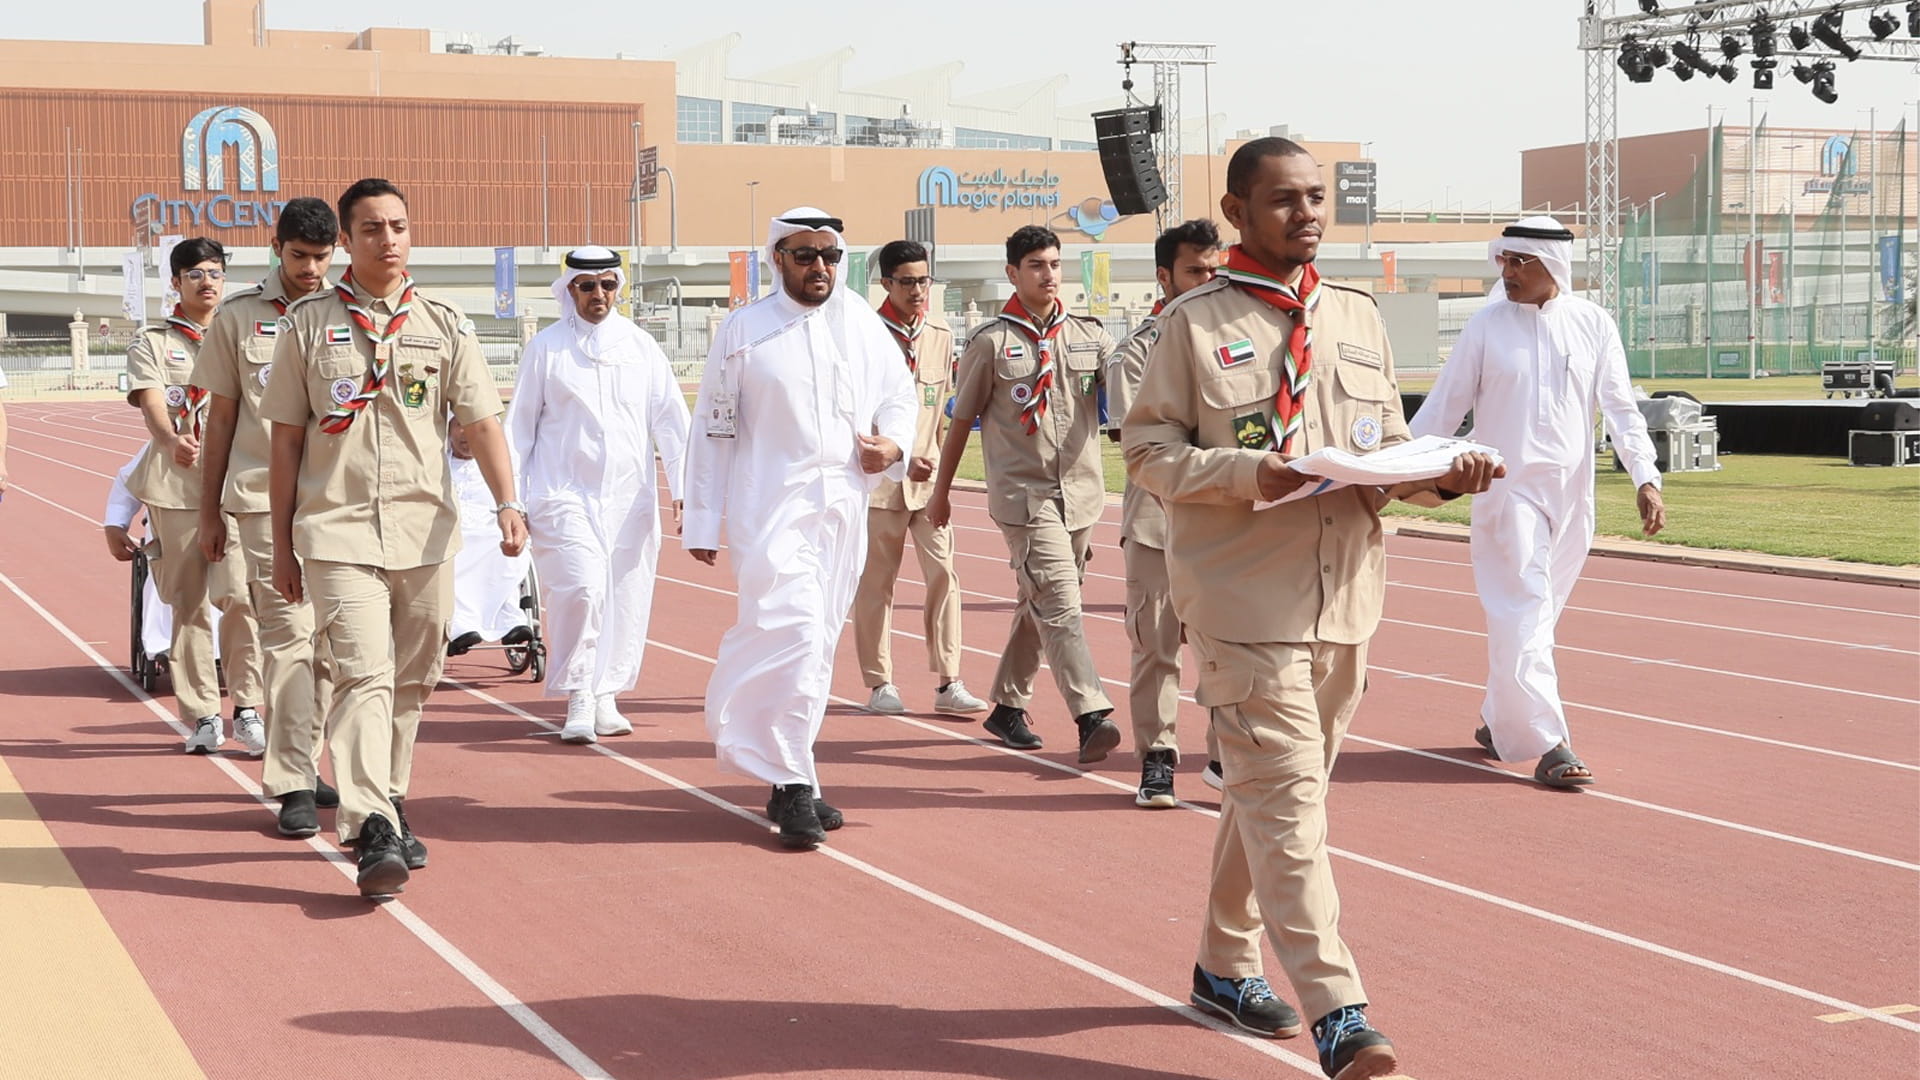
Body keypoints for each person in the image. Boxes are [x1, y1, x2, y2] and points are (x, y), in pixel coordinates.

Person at [1123, 137, 1504, 1080]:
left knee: (1273, 797)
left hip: (1346, 599)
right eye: (1284, 199)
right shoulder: (1193, 325)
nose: (1307, 213)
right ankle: (1339, 1010)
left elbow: (1385, 450)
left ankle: (1223, 964)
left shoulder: (1356, 318)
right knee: (1289, 805)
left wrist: (1442, 476)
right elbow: (1146, 453)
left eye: (1317, 197)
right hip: (1245, 600)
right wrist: (1260, 470)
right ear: (1238, 210)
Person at [260, 178, 526, 898]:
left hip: (425, 533)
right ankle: (370, 823)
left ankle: (390, 794)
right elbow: (285, 443)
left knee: (415, 679)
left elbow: (480, 421)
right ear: (346, 240)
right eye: (372, 228)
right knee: (363, 673)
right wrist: (283, 545)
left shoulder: (442, 322)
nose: (388, 238)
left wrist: (509, 501)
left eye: (399, 225)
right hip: (336, 531)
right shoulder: (308, 325)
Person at [682, 207, 916, 849]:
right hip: (770, 510)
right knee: (791, 630)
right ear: (777, 259)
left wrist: (892, 446)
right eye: (805, 255)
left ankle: (799, 773)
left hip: (842, 509)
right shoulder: (745, 330)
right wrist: (702, 516)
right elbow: (713, 425)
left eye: (830, 256)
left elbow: (901, 395)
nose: (820, 267)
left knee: (817, 647)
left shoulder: (861, 326)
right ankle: (787, 784)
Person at [1408, 216, 1666, 790]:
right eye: (1503, 261)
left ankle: (1500, 720)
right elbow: (1442, 410)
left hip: (1573, 494)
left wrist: (1646, 477)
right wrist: (1395, 469)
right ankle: (1549, 743)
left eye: (1519, 262)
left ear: (1553, 266)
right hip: (1506, 490)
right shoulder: (1485, 327)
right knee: (1523, 608)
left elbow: (1621, 409)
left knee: (1537, 616)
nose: (1508, 272)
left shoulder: (1594, 323)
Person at [926, 225, 1119, 763]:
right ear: (1013, 273)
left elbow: (1128, 397)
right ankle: (1090, 713)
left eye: (1055, 264)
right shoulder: (992, 342)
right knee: (1060, 601)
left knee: (1040, 601)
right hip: (1024, 500)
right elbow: (961, 422)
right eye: (1035, 265)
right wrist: (940, 494)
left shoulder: (1089, 336)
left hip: (1081, 496)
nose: (1048, 274)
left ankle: (1008, 706)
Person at [192, 197, 342, 837]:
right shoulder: (238, 317)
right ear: (275, 247)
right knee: (287, 641)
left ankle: (304, 760)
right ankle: (291, 782)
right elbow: (220, 419)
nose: (310, 270)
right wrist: (209, 511)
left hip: (337, 504)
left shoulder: (350, 313)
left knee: (334, 647)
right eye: (299, 256)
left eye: (321, 257)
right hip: (258, 503)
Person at [509, 246, 691, 744]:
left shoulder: (640, 346)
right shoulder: (546, 348)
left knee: (624, 596)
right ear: (569, 290)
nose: (599, 295)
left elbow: (673, 422)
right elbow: (519, 429)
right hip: (562, 493)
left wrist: (685, 489)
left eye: (608, 285)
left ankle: (606, 690)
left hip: (629, 498)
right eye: (587, 286)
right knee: (582, 591)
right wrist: (510, 500)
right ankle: (578, 694)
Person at [124, 237, 265, 755]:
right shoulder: (154, 340)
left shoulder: (241, 332)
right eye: (195, 273)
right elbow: (152, 399)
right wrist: (169, 440)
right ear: (177, 282)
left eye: (214, 272)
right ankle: (204, 714)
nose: (207, 282)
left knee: (241, 599)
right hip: (177, 489)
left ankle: (247, 706)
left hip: (234, 487)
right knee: (188, 605)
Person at [1106, 218, 1222, 807]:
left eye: (1213, 268)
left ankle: (1226, 755)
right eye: (1195, 271)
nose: (1208, 279)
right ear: (1165, 276)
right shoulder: (1136, 354)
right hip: (1157, 523)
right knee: (1156, 646)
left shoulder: (1235, 339)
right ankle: (1157, 758)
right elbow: (1143, 451)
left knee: (1228, 645)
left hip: (1227, 523)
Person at [850, 239, 987, 718]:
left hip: (927, 482)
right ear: (885, 283)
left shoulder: (941, 332)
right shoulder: (864, 334)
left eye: (923, 281)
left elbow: (943, 411)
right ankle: (879, 682)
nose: (916, 291)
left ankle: (950, 680)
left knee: (945, 576)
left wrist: (941, 475)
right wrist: (893, 457)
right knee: (877, 585)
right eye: (906, 281)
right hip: (879, 483)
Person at [445, 416, 533, 656]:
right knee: (456, 552)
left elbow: (517, 502)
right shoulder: (437, 465)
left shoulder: (499, 467)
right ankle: (460, 625)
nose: (465, 435)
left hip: (491, 528)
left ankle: (511, 619)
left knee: (507, 546)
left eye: (472, 428)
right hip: (451, 533)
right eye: (459, 425)